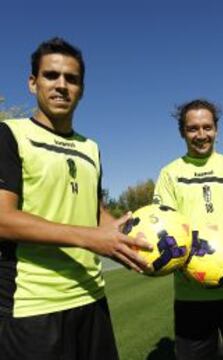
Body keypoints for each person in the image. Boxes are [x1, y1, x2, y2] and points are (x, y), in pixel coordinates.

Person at [0, 37, 151, 360]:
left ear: (81, 89)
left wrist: (143, 243)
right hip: (33, 305)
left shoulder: (90, 148)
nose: (61, 85)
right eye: (51, 75)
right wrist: (90, 240)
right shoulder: (9, 135)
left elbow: (93, 211)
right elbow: (3, 218)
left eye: (72, 79)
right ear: (32, 83)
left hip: (91, 297)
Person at [153, 99, 223, 360]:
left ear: (216, 130)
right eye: (193, 129)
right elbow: (163, 226)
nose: (201, 135)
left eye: (207, 127)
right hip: (191, 292)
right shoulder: (170, 173)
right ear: (182, 132)